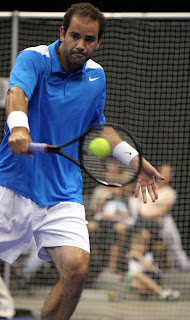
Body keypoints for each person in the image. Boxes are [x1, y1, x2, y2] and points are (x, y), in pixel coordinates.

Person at [0, 3, 164, 320]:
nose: (80, 45)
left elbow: (99, 127)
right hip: (14, 181)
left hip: (63, 190)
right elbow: (16, 92)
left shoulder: (96, 77)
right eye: (74, 36)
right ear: (62, 33)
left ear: (98, 42)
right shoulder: (34, 59)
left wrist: (134, 160)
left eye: (89, 39)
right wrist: (19, 127)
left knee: (76, 270)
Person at [138, 164, 190, 271]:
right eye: (163, 172)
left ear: (171, 177)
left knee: (173, 248)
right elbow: (138, 201)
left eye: (168, 174)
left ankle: (181, 269)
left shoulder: (170, 193)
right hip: (141, 223)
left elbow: (162, 211)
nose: (164, 175)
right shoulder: (146, 186)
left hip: (161, 225)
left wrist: (146, 215)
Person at [125, 232, 180, 300]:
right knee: (133, 284)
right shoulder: (130, 257)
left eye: (140, 245)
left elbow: (150, 267)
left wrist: (140, 257)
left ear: (145, 247)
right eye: (135, 245)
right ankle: (166, 292)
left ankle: (161, 292)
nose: (137, 247)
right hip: (139, 280)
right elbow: (130, 271)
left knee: (137, 274)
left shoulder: (148, 255)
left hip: (152, 276)